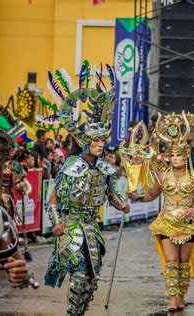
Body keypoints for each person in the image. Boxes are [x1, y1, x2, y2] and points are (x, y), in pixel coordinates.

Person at [42, 62, 130, 315]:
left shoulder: (104, 169)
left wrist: (121, 203)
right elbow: (53, 199)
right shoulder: (70, 165)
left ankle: (79, 313)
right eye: (95, 140)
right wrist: (56, 223)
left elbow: (111, 193)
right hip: (71, 225)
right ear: (85, 142)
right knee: (79, 273)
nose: (100, 144)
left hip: (92, 228)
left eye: (103, 140)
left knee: (92, 278)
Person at [128, 112, 194, 311]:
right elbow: (152, 195)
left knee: (183, 263)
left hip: (188, 222)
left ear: (186, 156)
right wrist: (136, 197)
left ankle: (181, 296)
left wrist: (192, 209)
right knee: (171, 262)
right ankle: (172, 299)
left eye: (179, 155)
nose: (175, 158)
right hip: (166, 222)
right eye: (172, 155)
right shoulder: (163, 175)